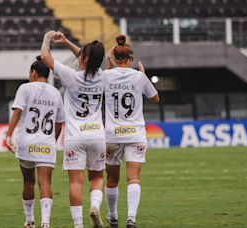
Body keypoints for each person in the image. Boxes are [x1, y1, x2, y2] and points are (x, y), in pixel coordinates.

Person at [41, 31, 106, 228]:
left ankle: (78, 225)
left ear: (84, 58)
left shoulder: (72, 76)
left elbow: (45, 57)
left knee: (76, 182)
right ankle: (95, 206)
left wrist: (47, 40)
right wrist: (68, 42)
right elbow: (88, 57)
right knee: (96, 177)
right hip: (97, 135)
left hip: (75, 136)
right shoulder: (102, 76)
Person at [104, 35, 159, 228]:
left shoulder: (106, 75)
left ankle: (112, 217)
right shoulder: (139, 76)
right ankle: (131, 219)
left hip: (112, 134)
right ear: (131, 59)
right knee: (133, 178)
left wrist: (109, 66)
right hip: (135, 133)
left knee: (111, 179)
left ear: (114, 58)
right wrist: (142, 74)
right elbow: (155, 98)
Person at [5, 56, 65, 228]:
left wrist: (8, 134)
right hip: (46, 143)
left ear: (34, 72)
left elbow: (17, 112)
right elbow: (59, 124)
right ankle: (45, 223)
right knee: (45, 182)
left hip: (26, 142)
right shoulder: (55, 93)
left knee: (28, 181)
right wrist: (51, 141)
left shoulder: (25, 88)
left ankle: (30, 220)